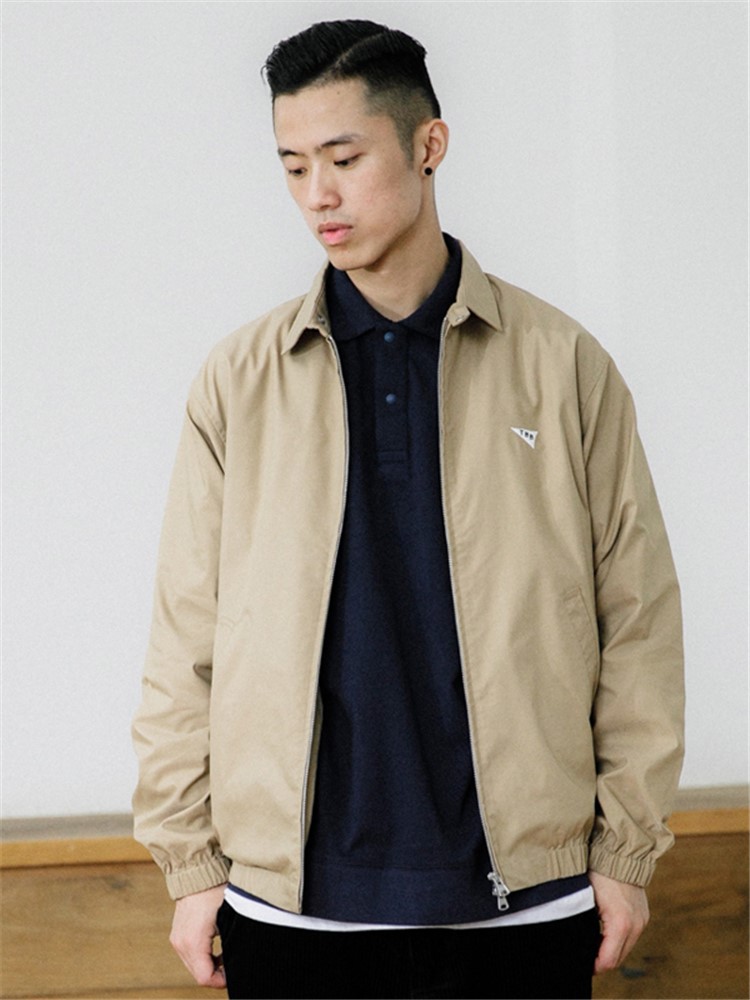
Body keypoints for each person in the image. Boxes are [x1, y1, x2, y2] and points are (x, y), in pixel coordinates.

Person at [132, 19, 684, 1000]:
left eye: (343, 159)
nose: (318, 194)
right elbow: (187, 636)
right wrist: (190, 863)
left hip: (528, 900)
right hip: (291, 904)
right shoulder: (241, 381)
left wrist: (625, 849)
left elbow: (637, 619)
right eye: (293, 166)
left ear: (429, 144)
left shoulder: (563, 366)